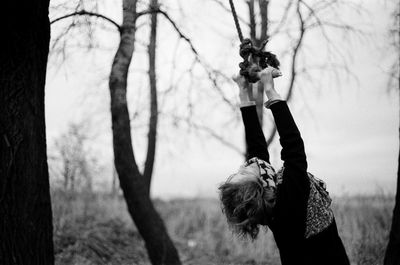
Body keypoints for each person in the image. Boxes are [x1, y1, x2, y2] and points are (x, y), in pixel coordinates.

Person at [218, 67, 350, 265]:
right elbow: (293, 145)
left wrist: (243, 91)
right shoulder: (291, 197)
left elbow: (256, 147)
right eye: (245, 171)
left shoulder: (269, 204)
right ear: (261, 183)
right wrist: (270, 90)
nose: (246, 165)